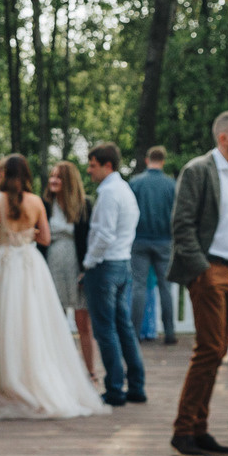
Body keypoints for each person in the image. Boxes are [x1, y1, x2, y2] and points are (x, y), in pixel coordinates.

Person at [0, 155, 107, 420]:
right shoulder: (36, 202)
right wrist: (27, 234)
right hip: (29, 264)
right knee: (32, 324)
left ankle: (2, 382)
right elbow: (45, 238)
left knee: (1, 325)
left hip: (3, 264)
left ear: (5, 176)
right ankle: (32, 380)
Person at [166, 112, 228, 456]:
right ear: (223, 138)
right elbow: (182, 225)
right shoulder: (198, 170)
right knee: (208, 350)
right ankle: (183, 430)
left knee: (217, 352)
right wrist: (202, 269)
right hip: (210, 271)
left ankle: (200, 429)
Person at [80, 142, 146, 406]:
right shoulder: (125, 189)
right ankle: (137, 386)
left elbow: (104, 234)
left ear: (107, 165)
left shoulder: (108, 192)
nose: (89, 170)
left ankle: (116, 388)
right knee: (124, 328)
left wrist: (88, 262)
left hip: (105, 266)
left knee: (105, 330)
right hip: (123, 263)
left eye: (93, 165)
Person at [43, 159, 98, 373]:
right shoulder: (45, 204)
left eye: (58, 177)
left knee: (83, 323)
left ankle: (91, 372)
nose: (53, 180)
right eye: (52, 176)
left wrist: (86, 270)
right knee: (54, 323)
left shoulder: (84, 205)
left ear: (69, 181)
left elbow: (91, 240)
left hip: (77, 266)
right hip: (51, 264)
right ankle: (58, 373)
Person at [129, 146, 176, 343]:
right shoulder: (171, 185)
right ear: (163, 161)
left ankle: (134, 333)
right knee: (165, 287)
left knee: (138, 286)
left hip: (139, 239)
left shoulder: (135, 183)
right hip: (164, 241)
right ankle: (170, 333)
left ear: (148, 160)